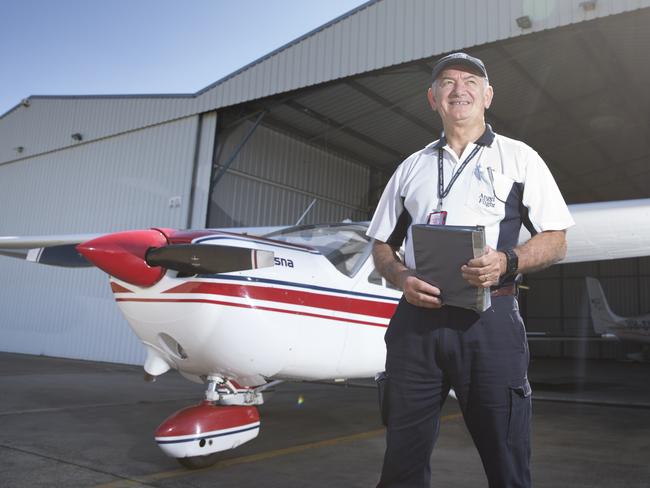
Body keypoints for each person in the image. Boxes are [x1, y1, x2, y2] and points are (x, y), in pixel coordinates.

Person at [367, 52, 575, 488]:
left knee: (506, 457)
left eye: (470, 82)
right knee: (402, 459)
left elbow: (556, 239)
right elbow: (381, 244)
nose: (458, 89)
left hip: (490, 320)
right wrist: (402, 278)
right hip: (416, 324)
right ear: (432, 98)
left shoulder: (519, 158)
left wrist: (508, 260)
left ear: (488, 96)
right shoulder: (411, 168)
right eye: (446, 82)